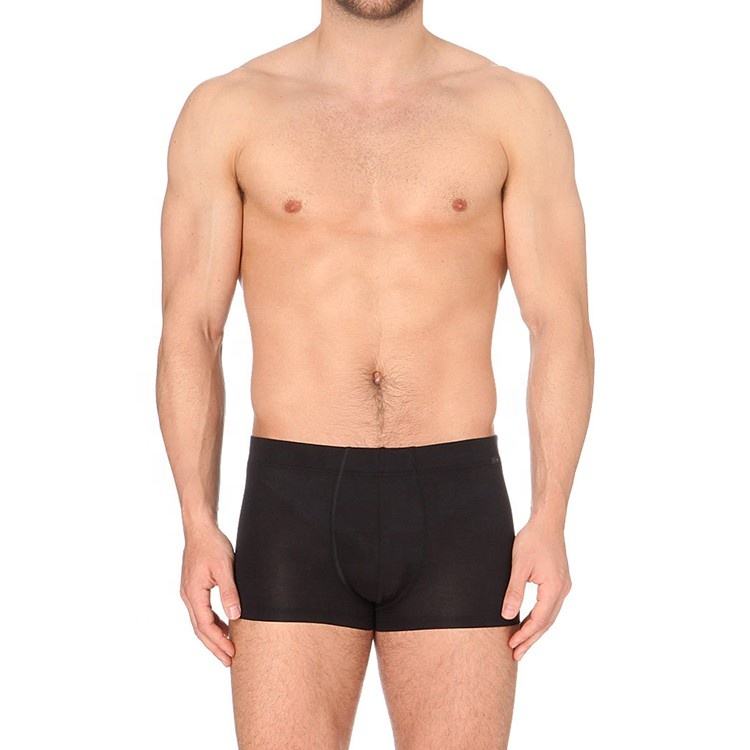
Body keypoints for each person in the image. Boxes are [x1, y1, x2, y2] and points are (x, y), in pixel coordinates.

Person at [156, 0, 594, 746]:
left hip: (457, 503)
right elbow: (192, 329)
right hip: (291, 504)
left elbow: (560, 324)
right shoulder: (229, 109)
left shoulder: (513, 109)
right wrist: (197, 521)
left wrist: (550, 516)